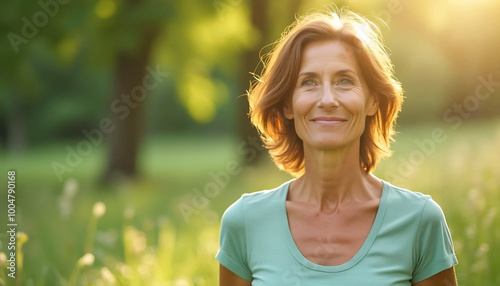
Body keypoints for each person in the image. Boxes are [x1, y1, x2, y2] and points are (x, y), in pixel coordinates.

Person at [216, 7, 458, 286]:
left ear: (372, 101)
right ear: (287, 104)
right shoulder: (245, 222)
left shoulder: (419, 221)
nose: (328, 99)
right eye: (308, 82)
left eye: (345, 81)